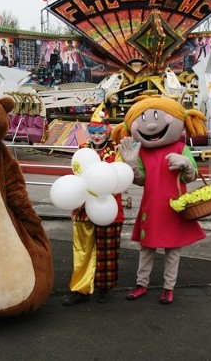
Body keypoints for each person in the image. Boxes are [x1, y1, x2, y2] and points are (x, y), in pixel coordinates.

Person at [113, 96, 205, 305]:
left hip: (176, 207)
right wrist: (132, 165)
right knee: (146, 248)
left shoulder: (181, 149)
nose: (152, 124)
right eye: (144, 119)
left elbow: (191, 177)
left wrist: (187, 165)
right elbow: (141, 181)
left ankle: (168, 288)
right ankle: (141, 284)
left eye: (158, 116)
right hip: (151, 207)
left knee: (173, 249)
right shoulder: (141, 151)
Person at [62, 105, 125, 306]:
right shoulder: (82, 150)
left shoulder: (115, 150)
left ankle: (104, 288)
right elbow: (76, 175)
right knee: (82, 250)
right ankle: (80, 289)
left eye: (100, 132)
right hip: (82, 209)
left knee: (108, 251)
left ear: (107, 131)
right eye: (93, 132)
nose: (96, 136)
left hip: (108, 207)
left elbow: (119, 178)